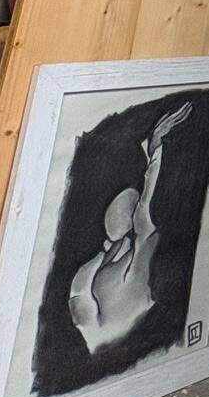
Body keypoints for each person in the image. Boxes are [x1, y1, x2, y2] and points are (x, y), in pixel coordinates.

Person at [67, 103, 190, 352]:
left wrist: (155, 151)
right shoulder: (113, 253)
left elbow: (144, 206)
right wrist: (154, 150)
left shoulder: (137, 253)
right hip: (101, 340)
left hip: (117, 341)